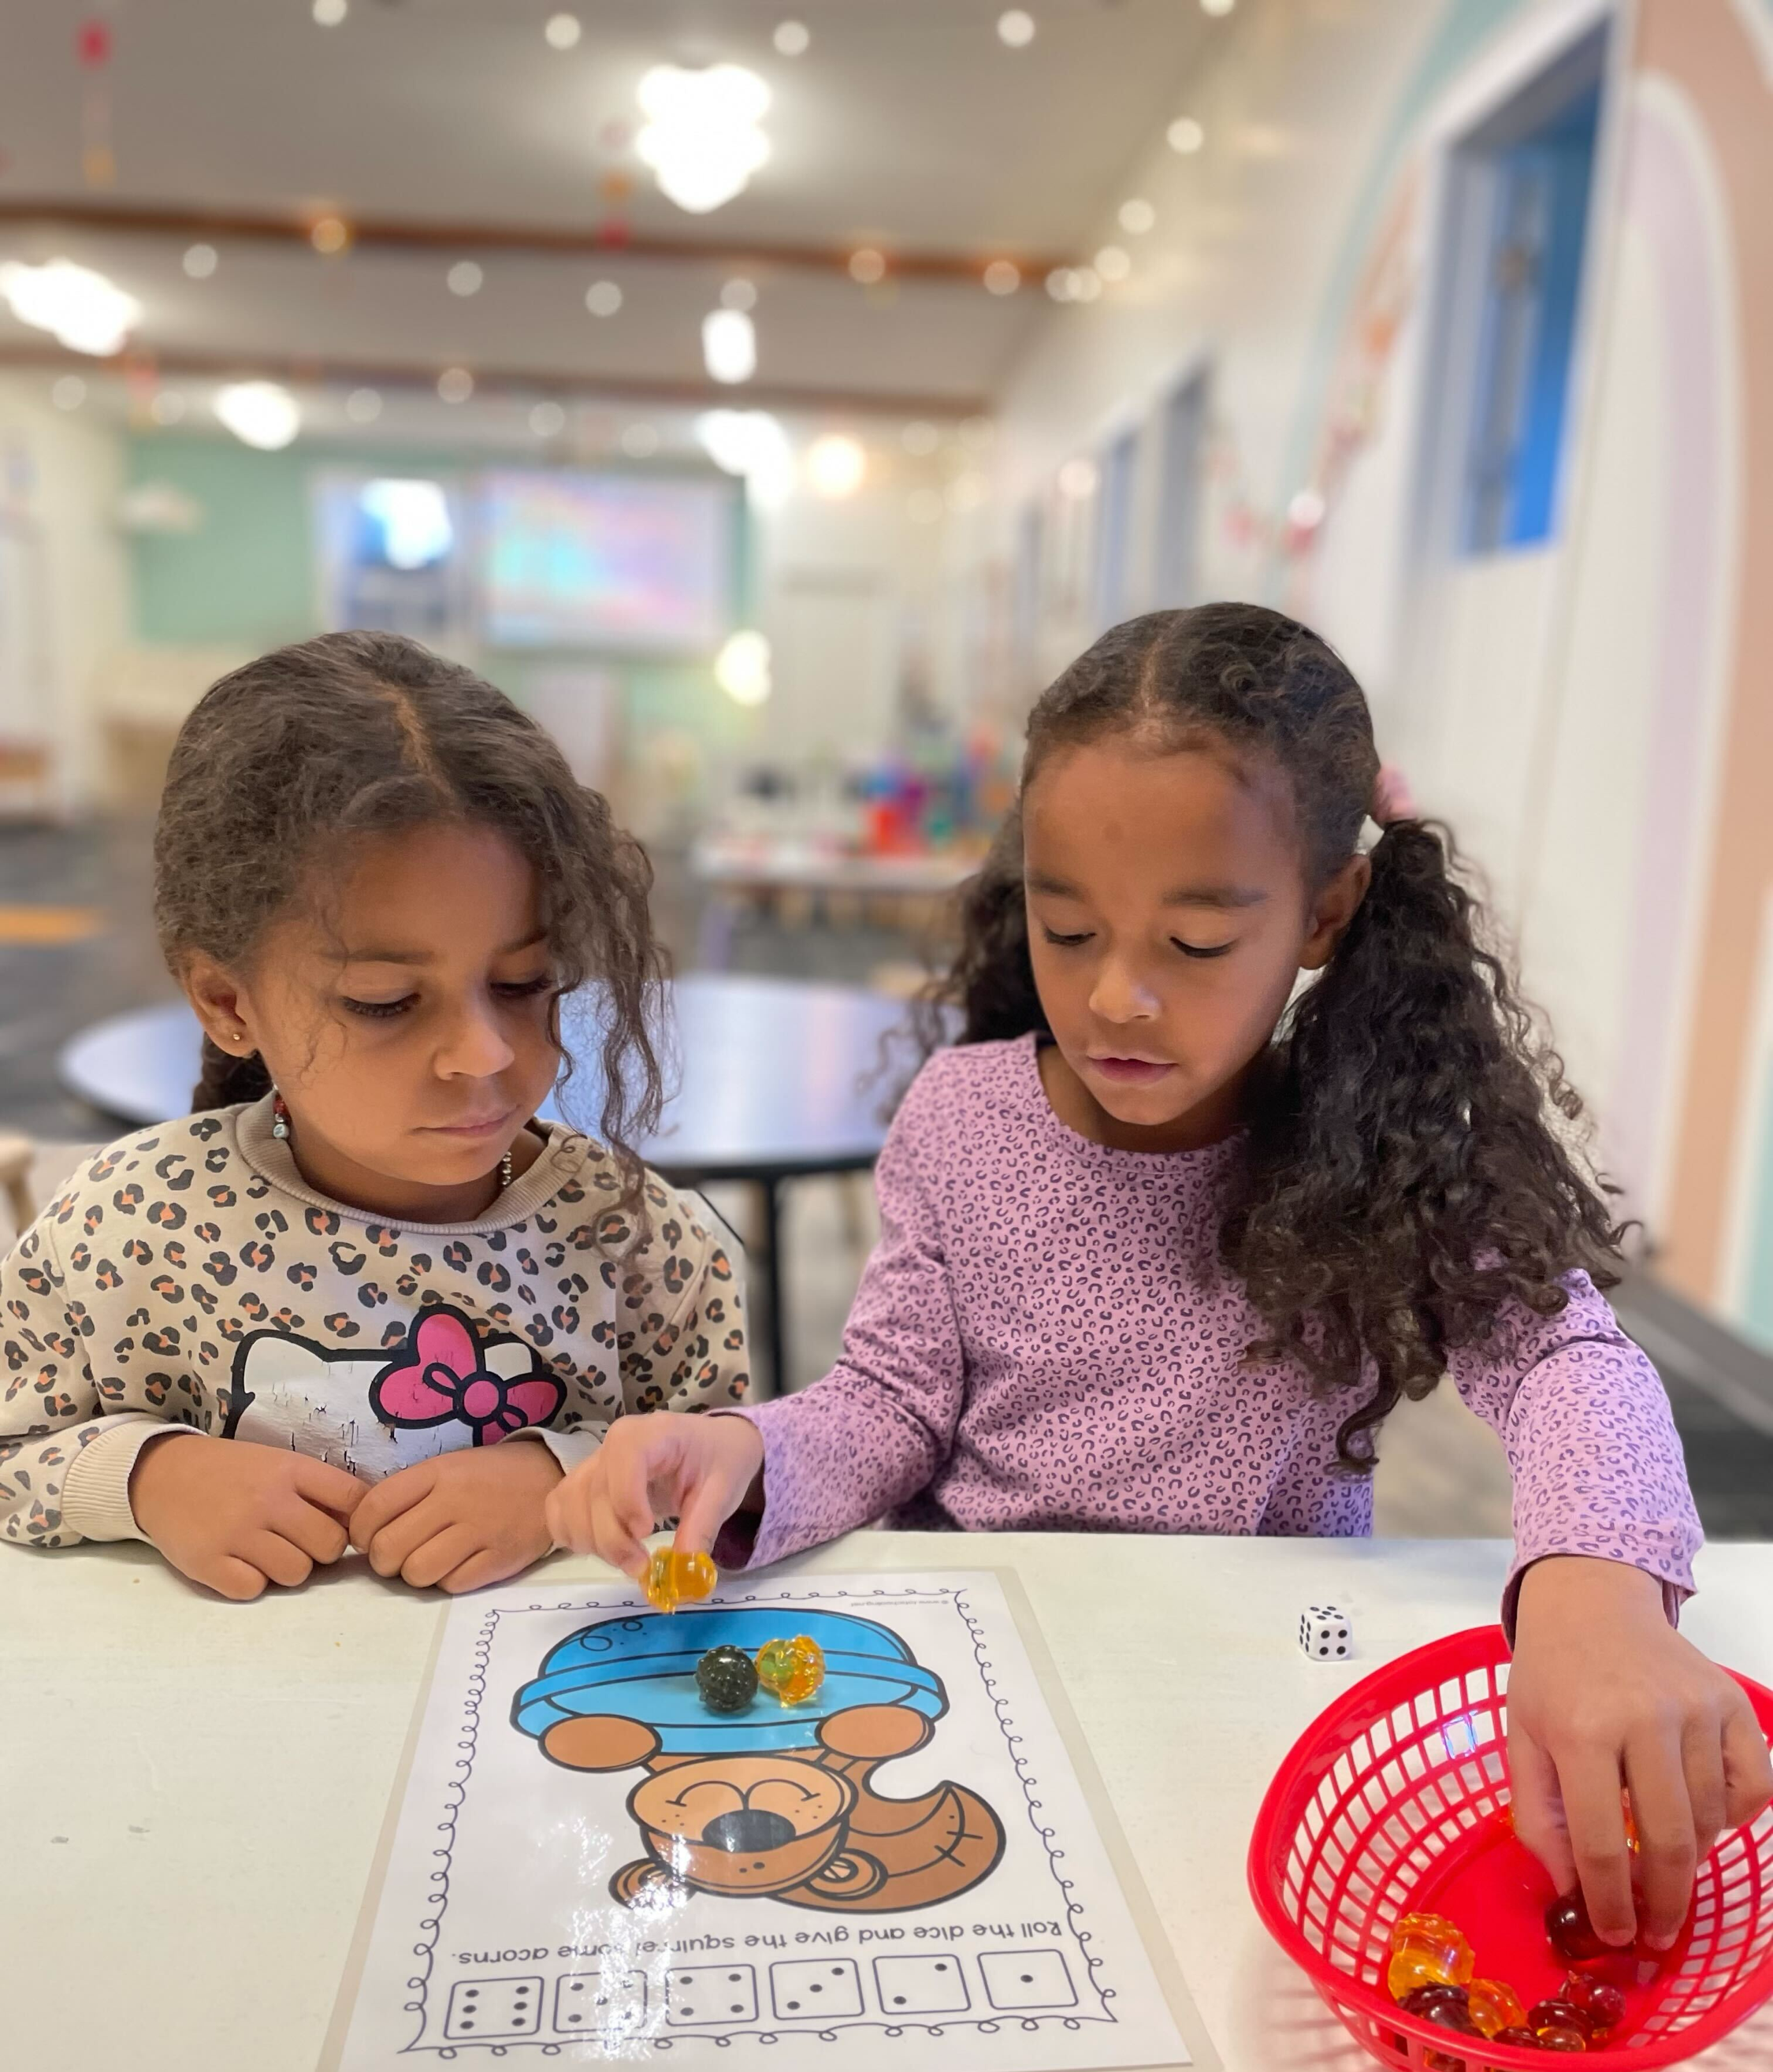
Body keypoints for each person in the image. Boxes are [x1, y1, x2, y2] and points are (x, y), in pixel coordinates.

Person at [548, 601, 1771, 1954]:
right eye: (1070, 932)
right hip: (984, 1674)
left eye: (1193, 947)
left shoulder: (1380, 1144)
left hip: (1256, 1693)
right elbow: (891, 1404)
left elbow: (1563, 1359)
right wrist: (745, 1451)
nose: (1120, 997)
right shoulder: (962, 1119)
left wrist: (1597, 1589)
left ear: (1325, 914)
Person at [0, 631, 747, 1598]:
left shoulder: (646, 1249)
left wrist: (560, 1478)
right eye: (387, 1001)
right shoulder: (122, 1233)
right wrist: (147, 1477)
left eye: (524, 983)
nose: (483, 1052)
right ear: (230, 1004)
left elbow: (734, 1470)